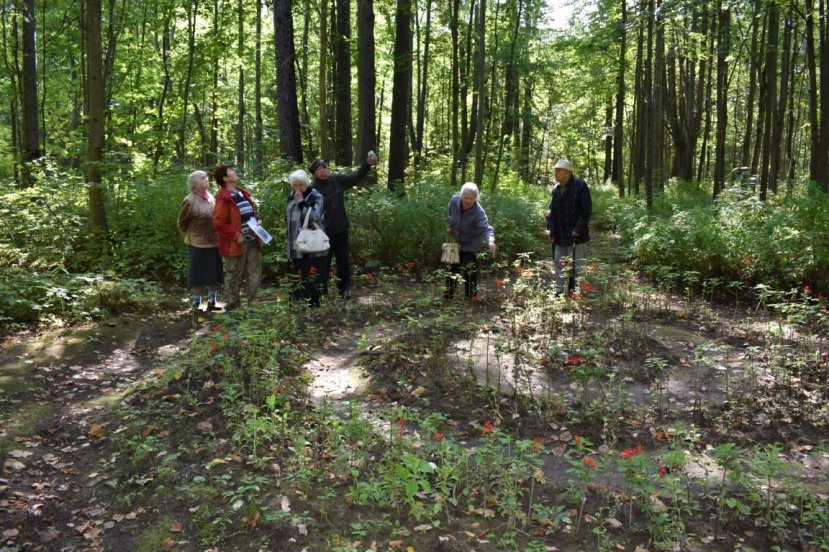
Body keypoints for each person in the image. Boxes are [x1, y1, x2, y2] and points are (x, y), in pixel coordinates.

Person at [309, 151, 378, 299]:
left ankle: (344, 290)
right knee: (323, 264)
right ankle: (321, 292)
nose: (327, 167)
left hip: (341, 229)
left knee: (343, 261)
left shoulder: (337, 180)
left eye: (327, 165)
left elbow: (355, 177)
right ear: (317, 171)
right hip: (323, 233)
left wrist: (368, 164)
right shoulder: (313, 191)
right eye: (324, 166)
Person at [212, 166, 262, 310]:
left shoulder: (242, 193)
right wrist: (235, 234)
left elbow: (249, 215)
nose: (235, 172)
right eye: (231, 171)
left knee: (255, 272)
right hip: (236, 243)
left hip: (252, 240)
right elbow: (218, 223)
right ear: (225, 178)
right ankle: (232, 306)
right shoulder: (224, 198)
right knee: (234, 275)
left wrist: (257, 221)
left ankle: (254, 305)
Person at [177, 170, 224, 322]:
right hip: (197, 243)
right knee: (197, 275)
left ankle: (212, 302)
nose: (207, 180)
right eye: (203, 178)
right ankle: (196, 304)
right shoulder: (189, 200)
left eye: (207, 178)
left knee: (213, 273)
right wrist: (189, 237)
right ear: (195, 183)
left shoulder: (211, 197)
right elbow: (181, 223)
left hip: (213, 242)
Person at [545, 159, 592, 295]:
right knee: (559, 263)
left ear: (567, 172)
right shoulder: (555, 189)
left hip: (577, 235)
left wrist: (577, 229)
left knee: (577, 265)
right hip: (559, 234)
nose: (556, 173)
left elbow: (586, 211)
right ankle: (559, 291)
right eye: (555, 170)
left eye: (558, 170)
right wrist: (551, 230)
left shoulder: (580, 185)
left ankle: (577, 292)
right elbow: (551, 212)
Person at [445, 182, 497, 299]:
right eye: (466, 198)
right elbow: (449, 214)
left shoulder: (478, 212)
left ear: (476, 198)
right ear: (461, 195)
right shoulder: (454, 200)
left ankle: (471, 297)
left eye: (472, 199)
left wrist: (490, 241)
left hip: (472, 243)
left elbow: (487, 229)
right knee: (451, 268)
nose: (468, 201)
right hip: (454, 239)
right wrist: (449, 226)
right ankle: (448, 296)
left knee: (469, 269)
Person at [285, 169, 328, 307]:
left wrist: (302, 203)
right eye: (295, 185)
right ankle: (299, 303)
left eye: (301, 185)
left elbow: (315, 216)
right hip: (296, 241)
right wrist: (288, 236)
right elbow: (289, 217)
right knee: (299, 272)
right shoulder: (291, 195)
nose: (298, 188)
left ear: (307, 183)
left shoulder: (316, 196)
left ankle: (314, 304)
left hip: (312, 242)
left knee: (313, 271)